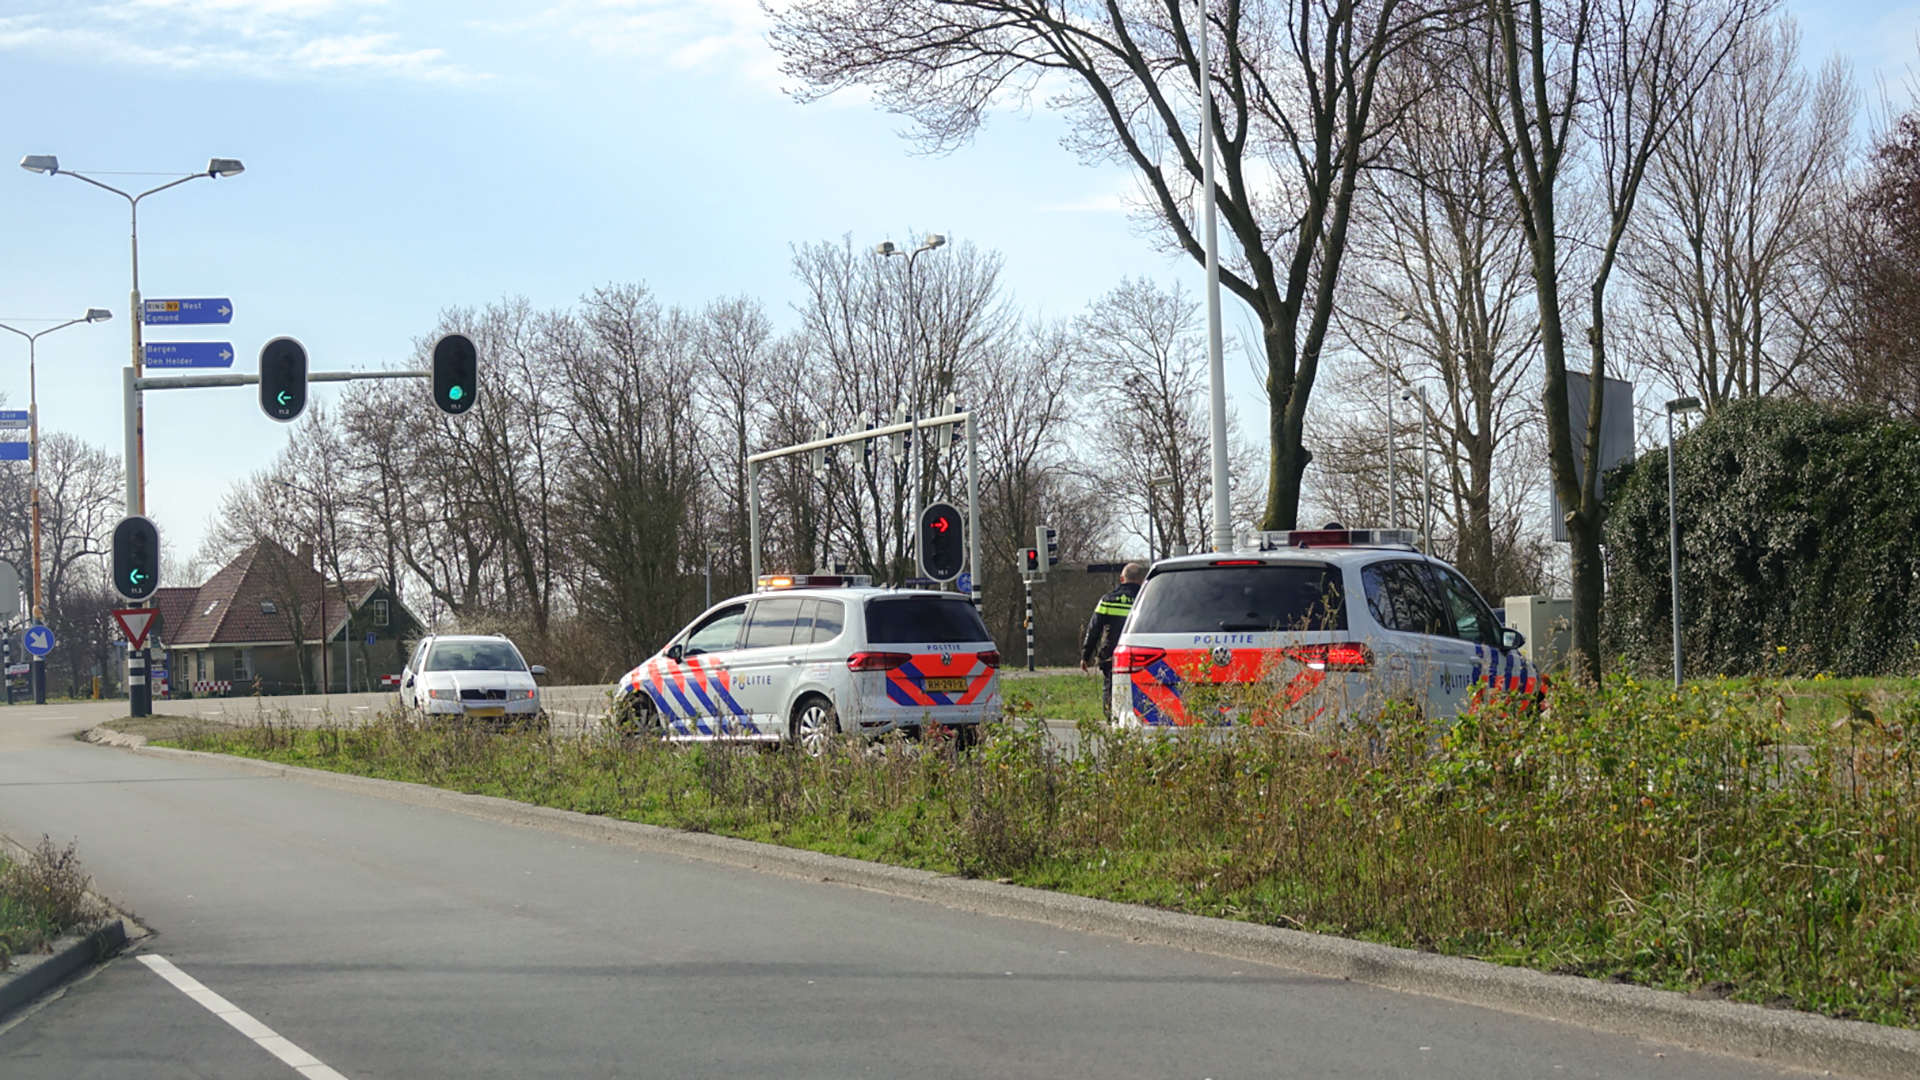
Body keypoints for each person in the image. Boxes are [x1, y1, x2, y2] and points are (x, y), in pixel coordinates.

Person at [1081, 562, 1146, 719]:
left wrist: (1086, 656)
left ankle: (1112, 720)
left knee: (1110, 688)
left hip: (1112, 655)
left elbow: (1094, 629)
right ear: (1141, 580)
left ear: (1121, 578)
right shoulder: (1145, 600)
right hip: (1143, 654)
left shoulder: (1108, 600)